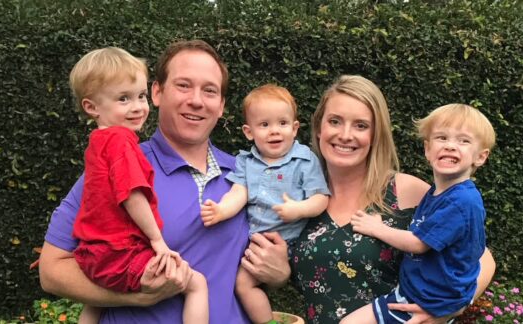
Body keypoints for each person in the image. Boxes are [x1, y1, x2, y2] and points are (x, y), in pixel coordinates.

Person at [242, 75, 496, 324]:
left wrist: (449, 308)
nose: (345, 134)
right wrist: (280, 275)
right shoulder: (298, 199)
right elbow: (279, 271)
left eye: (361, 125)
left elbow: (480, 257)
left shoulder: (406, 191)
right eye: (335, 121)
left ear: (376, 134)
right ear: (319, 128)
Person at [39, 39, 252, 323]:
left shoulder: (246, 174)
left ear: (222, 105)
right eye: (183, 85)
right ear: (157, 92)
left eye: (210, 90)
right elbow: (51, 271)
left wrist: (278, 270)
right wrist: (136, 296)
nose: (197, 100)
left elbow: (273, 256)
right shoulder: (114, 166)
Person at [66, 47, 208, 324]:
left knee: (96, 302)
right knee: (197, 283)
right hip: (121, 254)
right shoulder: (122, 142)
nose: (138, 107)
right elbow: (131, 194)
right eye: (123, 99)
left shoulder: (98, 142)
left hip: (92, 255)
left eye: (141, 96)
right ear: (91, 107)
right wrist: (158, 242)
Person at [341, 103, 494, 323]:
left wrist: (376, 228)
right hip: (417, 296)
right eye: (442, 138)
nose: (451, 146)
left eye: (464, 141)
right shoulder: (438, 193)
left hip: (423, 303)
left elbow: (418, 243)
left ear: (480, 157)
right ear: (427, 149)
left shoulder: (462, 200)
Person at [200, 84, 330, 324]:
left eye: (282, 123)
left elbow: (321, 198)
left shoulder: (303, 160)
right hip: (253, 241)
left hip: (291, 243)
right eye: (264, 125)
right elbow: (239, 192)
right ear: (249, 132)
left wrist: (298, 209)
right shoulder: (246, 161)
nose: (274, 131)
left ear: (294, 128)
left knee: (242, 283)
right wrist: (221, 211)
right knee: (235, 279)